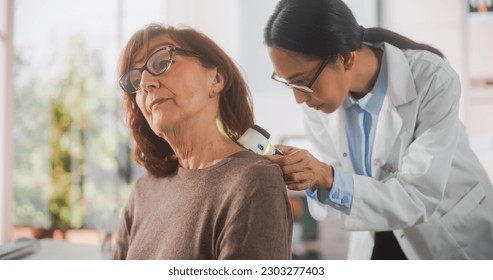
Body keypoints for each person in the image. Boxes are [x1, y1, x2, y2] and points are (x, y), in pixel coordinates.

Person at [263, 0, 493, 260]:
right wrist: (310, 176)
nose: (299, 99)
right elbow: (338, 184)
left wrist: (325, 176)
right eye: (288, 83)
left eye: (302, 82)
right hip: (376, 232)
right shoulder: (319, 104)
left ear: (345, 58)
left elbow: (419, 195)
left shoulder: (432, 78)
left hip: (447, 230)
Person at [111, 23, 292, 260]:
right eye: (135, 82)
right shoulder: (143, 192)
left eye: (162, 62)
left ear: (216, 79)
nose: (145, 84)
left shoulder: (254, 182)